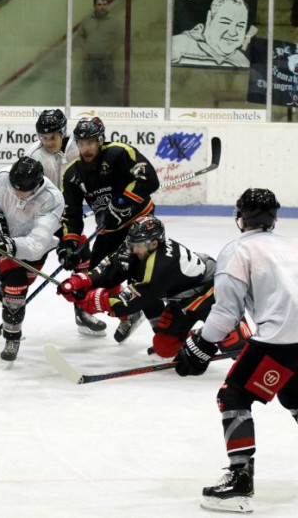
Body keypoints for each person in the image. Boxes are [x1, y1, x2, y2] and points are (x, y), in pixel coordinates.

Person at [174, 188, 298, 514]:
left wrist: (199, 346)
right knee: (294, 395)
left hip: (280, 339)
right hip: (289, 338)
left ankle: (240, 481)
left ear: (241, 217)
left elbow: (226, 313)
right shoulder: (293, 243)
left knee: (234, 397)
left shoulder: (238, 250)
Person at [57, 214, 251, 355]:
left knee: (236, 345)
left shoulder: (162, 265)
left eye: (137, 245)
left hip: (211, 293)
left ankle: (233, 333)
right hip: (182, 299)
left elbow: (134, 300)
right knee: (164, 348)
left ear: (154, 243)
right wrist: (82, 280)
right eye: (131, 244)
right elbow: (113, 265)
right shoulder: (141, 247)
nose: (132, 249)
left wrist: (94, 301)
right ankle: (197, 335)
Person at [58, 116, 159, 342]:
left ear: (101, 140)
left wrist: (122, 203)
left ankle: (163, 332)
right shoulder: (72, 174)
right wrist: (69, 246)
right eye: (81, 143)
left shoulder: (119, 153)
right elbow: (72, 215)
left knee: (141, 274)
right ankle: (130, 313)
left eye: (91, 143)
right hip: (109, 229)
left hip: (139, 222)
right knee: (97, 280)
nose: (85, 148)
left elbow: (150, 179)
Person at [22, 109, 107, 338]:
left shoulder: (76, 148)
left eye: (53, 137)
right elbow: (24, 192)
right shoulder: (34, 157)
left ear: (63, 133)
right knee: (22, 275)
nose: (48, 143)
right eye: (43, 137)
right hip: (39, 220)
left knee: (80, 255)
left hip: (65, 218)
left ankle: (83, 312)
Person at [0, 157, 64, 361]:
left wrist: (10, 246)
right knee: (16, 288)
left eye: (23, 190)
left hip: (33, 250)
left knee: (12, 286)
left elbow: (35, 245)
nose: (17, 193)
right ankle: (12, 337)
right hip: (7, 240)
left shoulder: (52, 199)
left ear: (37, 184)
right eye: (14, 187)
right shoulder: (2, 178)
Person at [172, 0, 252, 68]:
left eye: (240, 26)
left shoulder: (243, 62)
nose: (233, 32)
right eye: (226, 22)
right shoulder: (178, 46)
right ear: (209, 19)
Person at [77, 0, 124, 106]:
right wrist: (83, 50)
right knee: (88, 86)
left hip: (105, 60)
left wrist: (110, 51)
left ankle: (107, 111)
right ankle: (90, 109)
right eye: (99, 5)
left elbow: (120, 40)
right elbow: (80, 36)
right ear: (94, 6)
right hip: (89, 59)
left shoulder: (114, 22)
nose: (102, 7)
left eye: (104, 4)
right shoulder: (87, 21)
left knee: (107, 86)